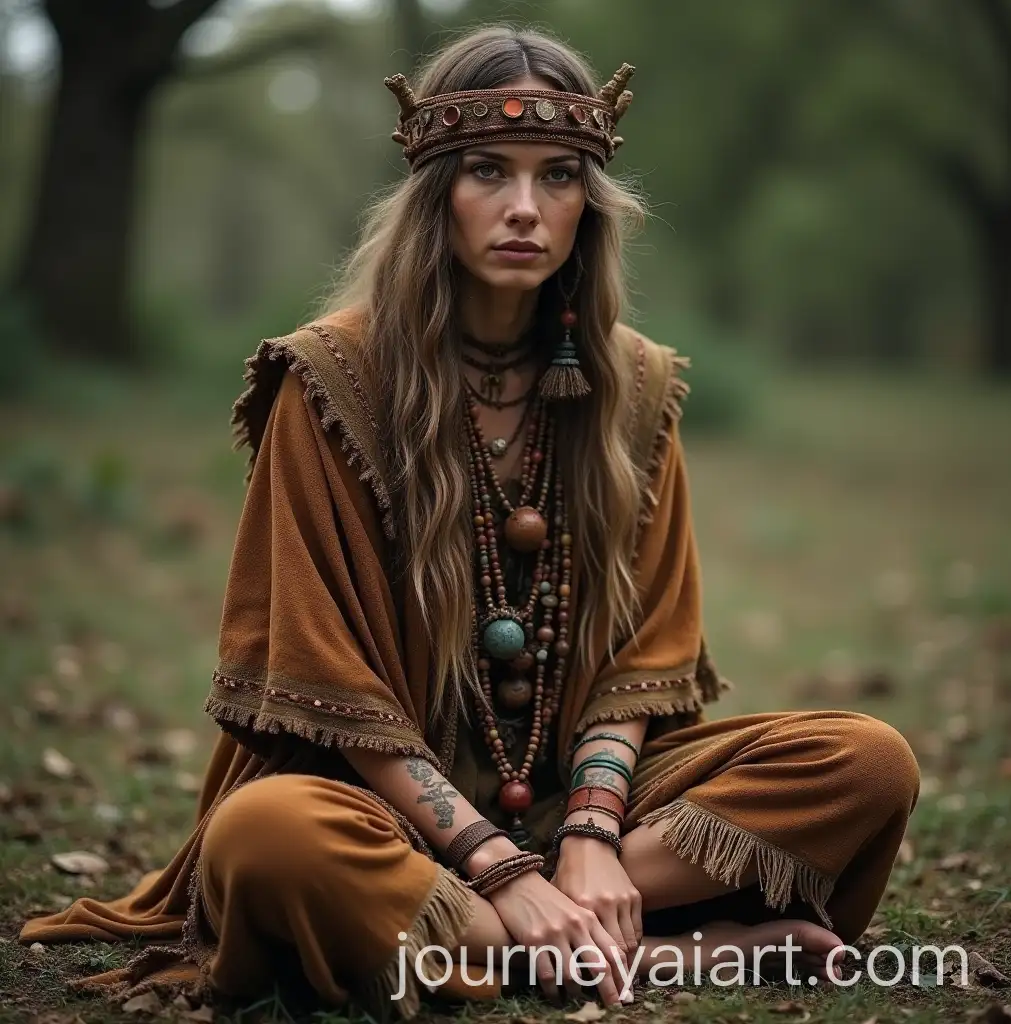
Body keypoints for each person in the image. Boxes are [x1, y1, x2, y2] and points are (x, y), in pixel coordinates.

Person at [20, 24, 920, 1020]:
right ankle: (679, 953)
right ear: (434, 191)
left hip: (592, 806)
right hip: (377, 808)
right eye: (488, 170)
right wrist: (496, 866)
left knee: (866, 760)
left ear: (592, 204)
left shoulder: (635, 387)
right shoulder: (328, 384)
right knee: (266, 838)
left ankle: (547, 920)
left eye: (560, 176)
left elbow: (644, 660)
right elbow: (329, 683)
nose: (525, 207)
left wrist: (582, 838)